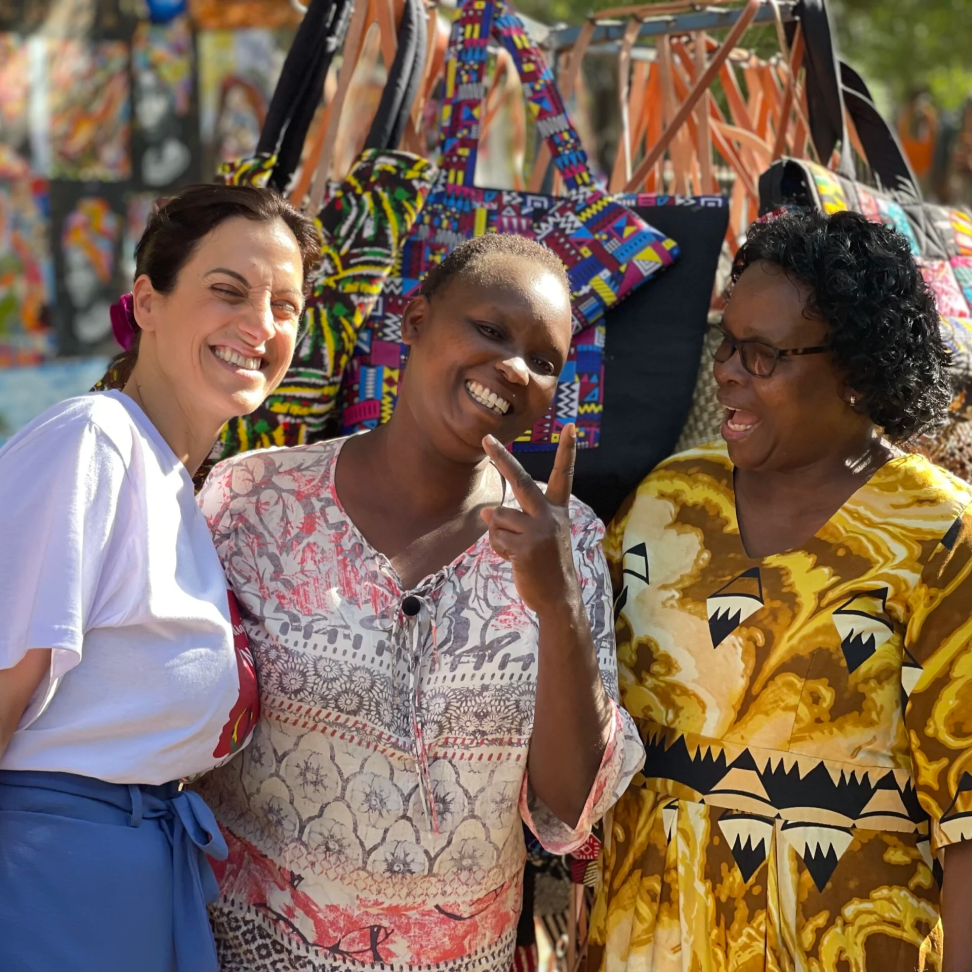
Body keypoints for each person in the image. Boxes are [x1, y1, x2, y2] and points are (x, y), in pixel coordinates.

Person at [192, 233, 644, 971]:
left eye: (544, 361)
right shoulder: (253, 501)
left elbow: (567, 809)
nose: (513, 368)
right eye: (490, 330)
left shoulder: (568, 539)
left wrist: (557, 604)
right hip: (244, 947)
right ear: (416, 319)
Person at [589, 208, 972, 971]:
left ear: (860, 371)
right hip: (641, 945)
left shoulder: (939, 537)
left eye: (763, 356)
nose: (728, 370)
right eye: (727, 344)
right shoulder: (664, 504)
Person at [0, 183, 319, 972]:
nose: (260, 325)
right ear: (147, 301)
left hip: (130, 882)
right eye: (229, 291)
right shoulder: (93, 441)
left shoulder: (181, 484)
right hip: (46, 883)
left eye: (285, 305)